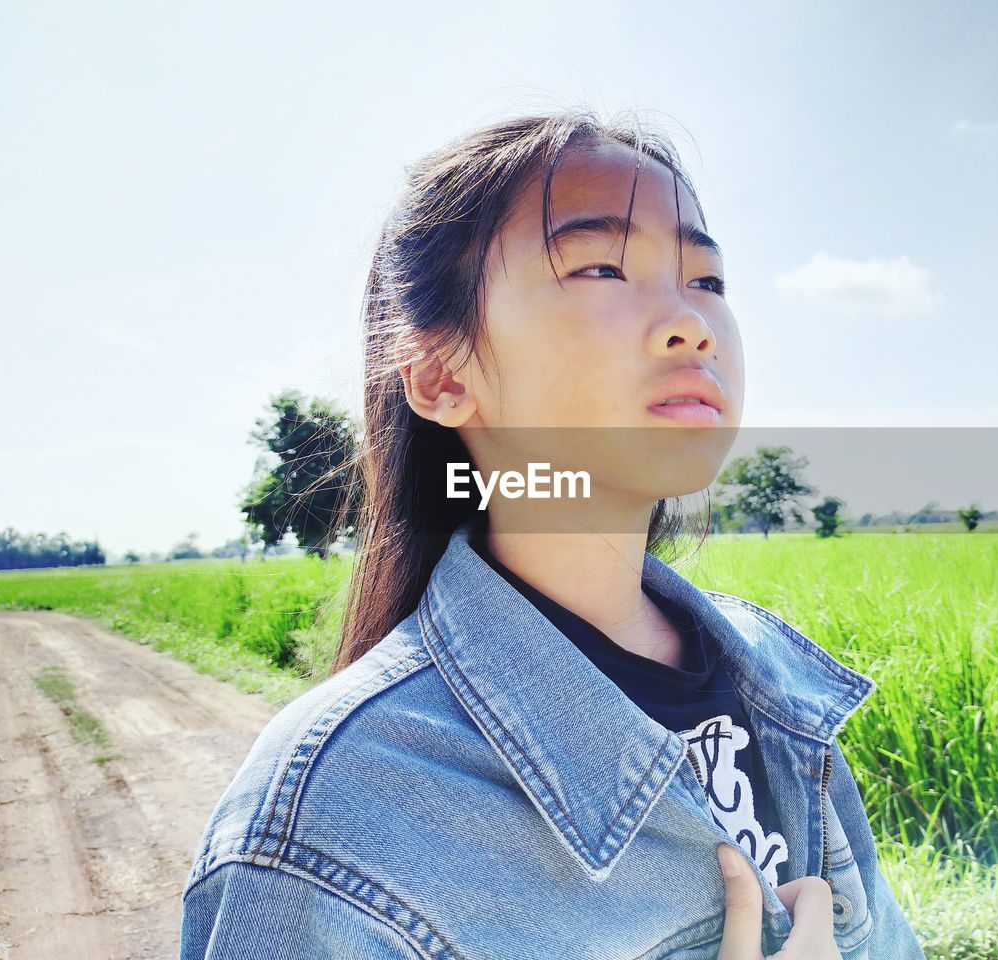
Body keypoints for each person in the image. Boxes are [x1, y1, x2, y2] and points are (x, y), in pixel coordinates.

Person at [179, 107, 926, 959]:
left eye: (708, 281)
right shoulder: (331, 824)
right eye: (602, 266)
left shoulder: (778, 678)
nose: (693, 322)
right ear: (438, 375)